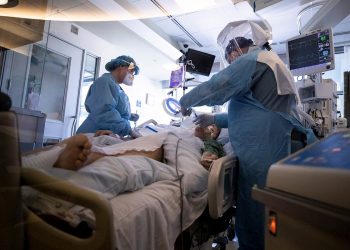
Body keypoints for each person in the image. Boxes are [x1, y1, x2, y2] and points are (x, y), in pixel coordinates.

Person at [179, 21, 317, 249]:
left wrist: (186, 100)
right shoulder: (269, 61)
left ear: (236, 50)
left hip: (265, 151)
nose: (232, 61)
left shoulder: (253, 60)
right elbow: (250, 112)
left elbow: (219, 85)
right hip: (275, 140)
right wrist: (214, 119)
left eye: (230, 56)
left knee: (260, 211)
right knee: (271, 211)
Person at [76, 55, 141, 138]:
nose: (132, 75)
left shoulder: (116, 87)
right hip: (90, 135)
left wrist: (130, 116)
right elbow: (104, 111)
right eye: (131, 70)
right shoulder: (104, 82)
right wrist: (128, 130)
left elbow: (114, 108)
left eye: (133, 72)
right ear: (121, 66)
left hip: (103, 135)